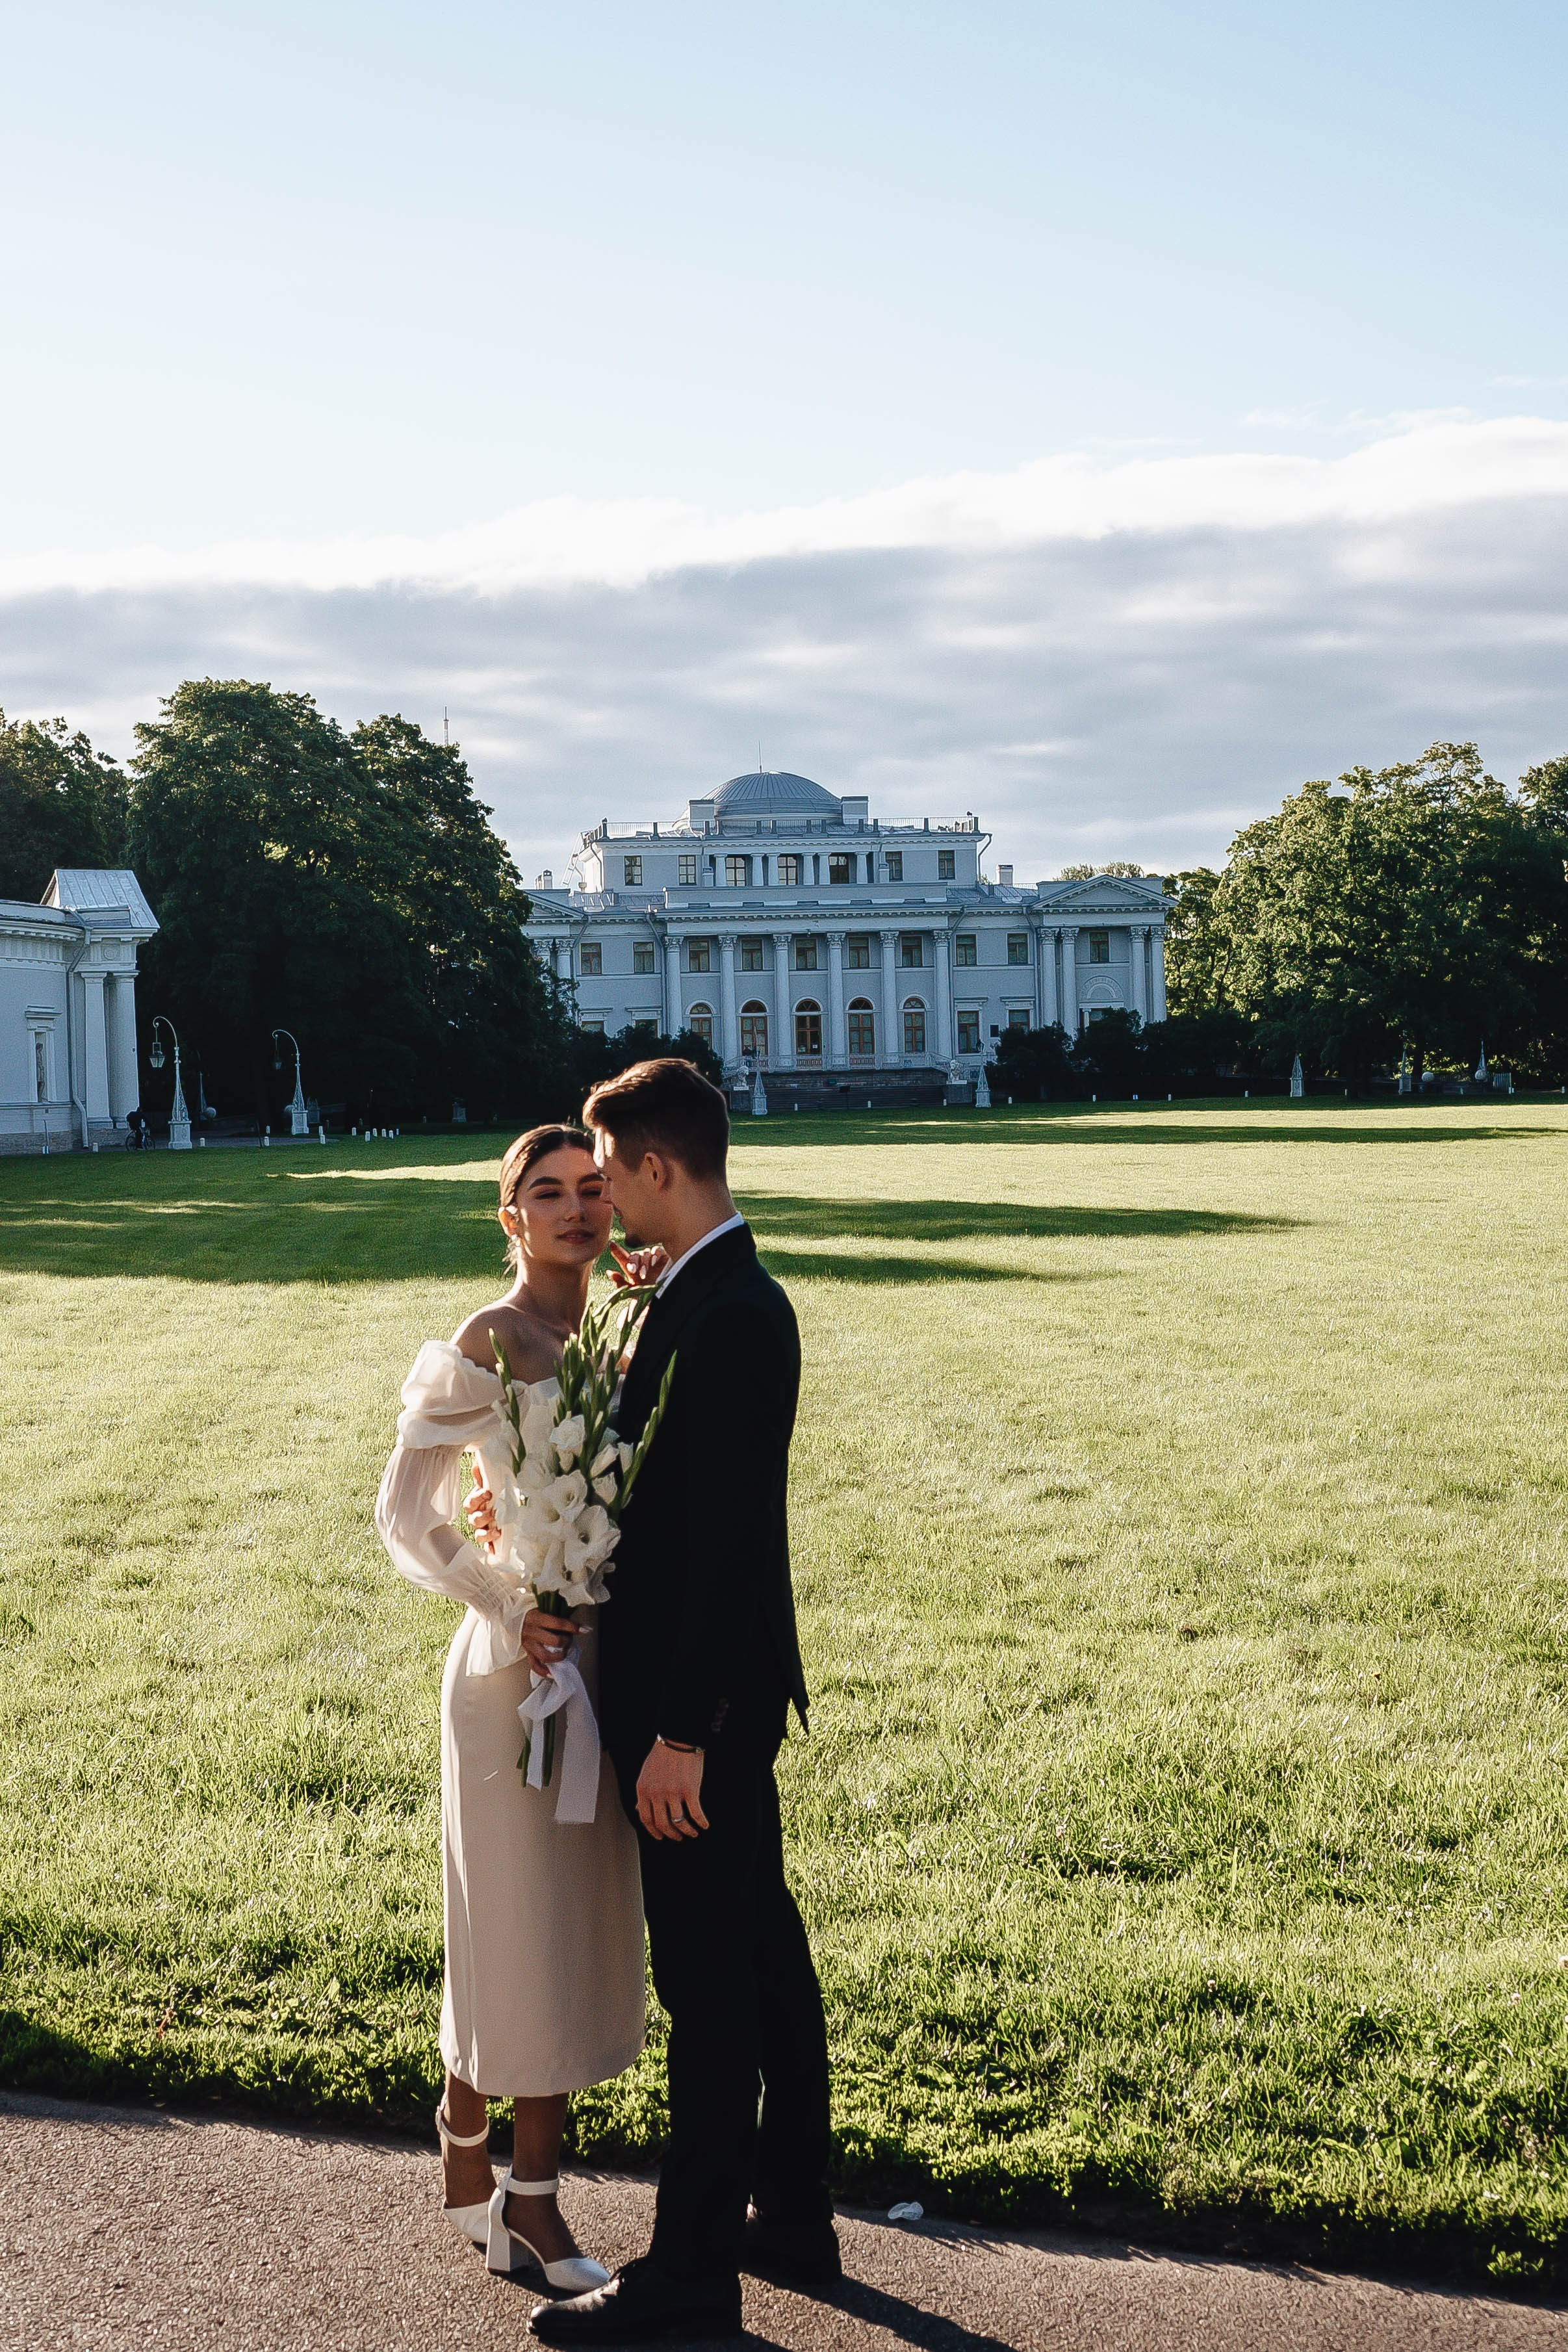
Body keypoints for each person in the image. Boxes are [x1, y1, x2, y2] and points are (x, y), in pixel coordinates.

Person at [529, 1058, 836, 2347]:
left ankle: (691, 2273)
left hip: (697, 1709)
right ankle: (794, 2210)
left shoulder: (731, 1315)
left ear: (660, 1165)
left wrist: (679, 1735)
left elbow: (719, 1549)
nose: (604, 1202)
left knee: (711, 1986)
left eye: (611, 1174)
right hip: (710, 1698)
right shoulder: (705, 1294)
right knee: (762, 1953)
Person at [374, 1124, 647, 2295]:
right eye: (549, 1193)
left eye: (593, 1188)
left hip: (605, 1667)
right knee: (519, 1928)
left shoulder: (629, 1329)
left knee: (562, 1930)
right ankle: (527, 2204)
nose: (576, 1209)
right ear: (511, 1218)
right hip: (507, 1672)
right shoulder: (488, 1339)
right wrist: (505, 1595)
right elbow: (404, 1512)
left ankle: (463, 2132)